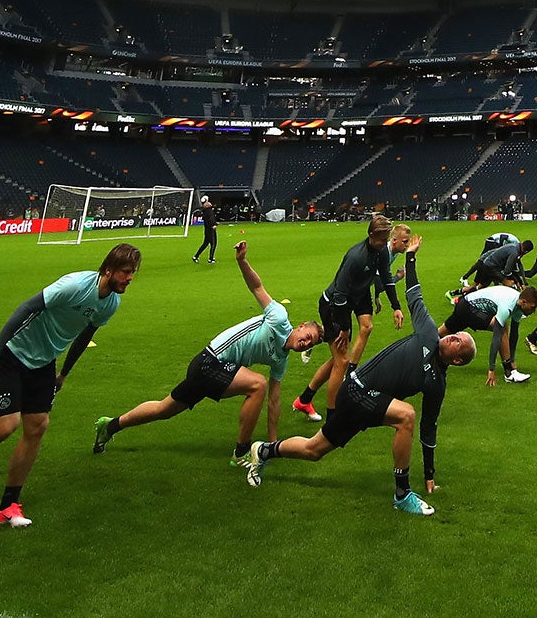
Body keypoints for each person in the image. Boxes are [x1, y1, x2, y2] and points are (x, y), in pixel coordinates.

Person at [246, 230, 474, 516]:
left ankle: (263, 451)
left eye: (459, 342)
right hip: (357, 391)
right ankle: (402, 494)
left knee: (314, 450)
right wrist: (412, 258)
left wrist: (430, 472)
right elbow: (413, 293)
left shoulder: (436, 384)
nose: (453, 337)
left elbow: (430, 430)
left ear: (457, 361)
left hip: (369, 400)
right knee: (406, 416)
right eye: (457, 335)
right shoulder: (428, 332)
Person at [0, 243, 140, 527]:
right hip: (13, 355)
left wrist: (64, 374)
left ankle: (8, 506)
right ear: (109, 270)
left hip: (45, 362)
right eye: (125, 272)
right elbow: (27, 308)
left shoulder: (111, 303)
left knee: (37, 427)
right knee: (5, 427)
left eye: (133, 273)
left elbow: (84, 337)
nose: (130, 278)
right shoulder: (73, 285)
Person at [94, 240, 318, 463]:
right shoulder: (279, 318)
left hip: (216, 370)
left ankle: (110, 425)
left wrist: (274, 445)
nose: (306, 342)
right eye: (307, 336)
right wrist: (242, 261)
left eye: (311, 344)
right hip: (209, 362)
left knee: (164, 409)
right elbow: (257, 287)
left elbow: (274, 402)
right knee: (258, 384)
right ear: (300, 327)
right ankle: (241, 453)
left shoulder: (281, 359)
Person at [292, 214, 404, 423]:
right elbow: (339, 296)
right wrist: (343, 328)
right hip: (334, 306)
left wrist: (395, 307)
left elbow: (387, 278)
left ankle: (305, 399)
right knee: (341, 360)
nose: (384, 243)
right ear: (371, 235)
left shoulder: (380, 252)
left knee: (343, 354)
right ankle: (333, 416)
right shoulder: (356, 257)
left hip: (356, 298)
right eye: (382, 239)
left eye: (386, 238)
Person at [442, 282, 537, 384]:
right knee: (502, 328)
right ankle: (509, 373)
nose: (534, 311)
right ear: (524, 302)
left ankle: (426, 352)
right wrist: (491, 369)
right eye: (533, 307)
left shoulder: (518, 305)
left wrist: (513, 361)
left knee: (440, 334)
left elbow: (514, 336)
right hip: (468, 309)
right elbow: (496, 337)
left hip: (465, 304)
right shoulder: (507, 306)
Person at [461, 236, 534, 291]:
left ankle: (456, 294)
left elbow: (513, 268)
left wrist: (520, 282)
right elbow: (508, 271)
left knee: (479, 286)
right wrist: (517, 282)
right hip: (491, 267)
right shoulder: (514, 252)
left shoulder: (513, 247)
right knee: (509, 283)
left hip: (487, 264)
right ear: (526, 251)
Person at [193, 197, 220, 264]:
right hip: (211, 230)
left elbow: (207, 220)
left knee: (205, 244)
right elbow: (211, 219)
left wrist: (215, 223)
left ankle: (196, 256)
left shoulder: (205, 211)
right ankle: (211, 259)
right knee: (213, 244)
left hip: (207, 230)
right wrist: (213, 225)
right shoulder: (209, 211)